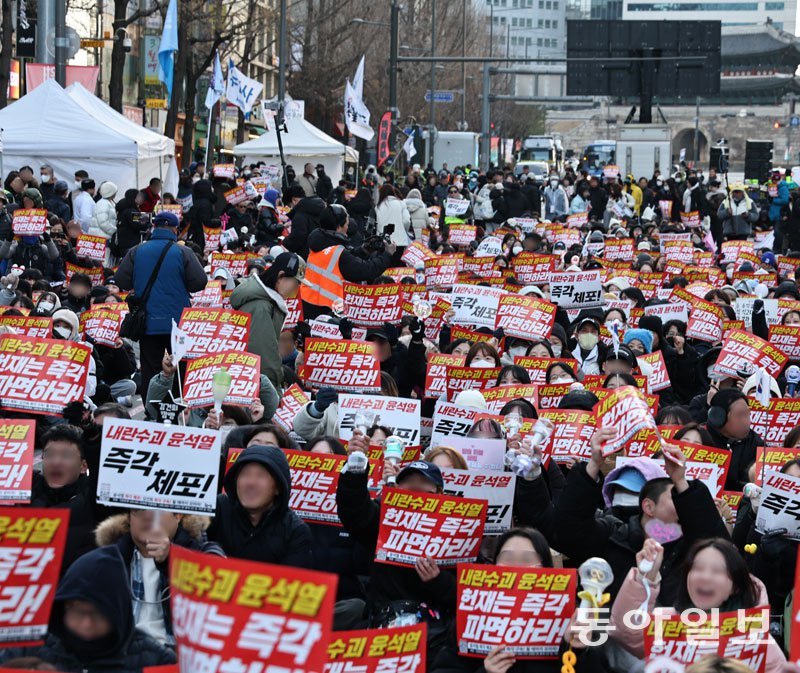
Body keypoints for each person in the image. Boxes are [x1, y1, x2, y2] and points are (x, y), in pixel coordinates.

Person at [552, 427, 730, 604]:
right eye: (673, 495)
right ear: (648, 506)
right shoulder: (614, 537)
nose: (680, 501)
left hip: (671, 629)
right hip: (610, 629)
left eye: (680, 495)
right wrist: (593, 464)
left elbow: (718, 547)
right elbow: (567, 530)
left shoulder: (688, 548)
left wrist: (681, 481)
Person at [611, 538, 786, 672]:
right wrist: (645, 578)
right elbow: (627, 633)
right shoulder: (668, 621)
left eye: (717, 571)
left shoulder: (757, 641)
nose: (705, 577)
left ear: (736, 586)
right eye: (697, 568)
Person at [0, 546, 176, 672]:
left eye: (99, 612)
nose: (87, 623)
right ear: (62, 608)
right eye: (77, 610)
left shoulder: (156, 660)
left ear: (118, 612)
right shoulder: (29, 646)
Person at [94, 509, 224, 645]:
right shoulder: (110, 558)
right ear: (130, 518)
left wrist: (171, 558)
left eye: (158, 510)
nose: (148, 516)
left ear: (178, 516)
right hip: (124, 653)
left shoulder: (203, 550)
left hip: (176, 655)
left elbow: (219, 587)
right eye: (139, 510)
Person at [115, 211, 207, 397]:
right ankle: (177, 409)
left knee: (151, 367)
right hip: (178, 323)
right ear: (174, 228)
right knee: (179, 365)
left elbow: (121, 281)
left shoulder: (137, 251)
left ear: (154, 226)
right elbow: (200, 282)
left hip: (148, 321)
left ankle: (152, 409)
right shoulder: (184, 252)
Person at [207, 444, 313, 566]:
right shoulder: (218, 508)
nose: (251, 482)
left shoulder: (294, 531)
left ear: (278, 488)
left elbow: (293, 580)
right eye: (245, 474)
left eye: (261, 476)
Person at [30, 424, 110, 571]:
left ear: (83, 466)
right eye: (49, 454)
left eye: (66, 455)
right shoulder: (25, 493)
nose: (56, 462)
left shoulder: (94, 499)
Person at [299, 204, 394, 320]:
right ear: (339, 226)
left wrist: (363, 250)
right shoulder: (338, 253)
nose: (347, 229)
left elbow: (341, 262)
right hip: (329, 312)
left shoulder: (320, 243)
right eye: (347, 225)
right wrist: (387, 255)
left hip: (308, 306)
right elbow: (366, 270)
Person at [230, 252, 301, 389]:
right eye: (296, 284)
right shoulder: (261, 307)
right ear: (281, 277)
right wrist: (276, 385)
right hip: (257, 383)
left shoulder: (265, 303)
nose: (295, 291)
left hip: (252, 379)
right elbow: (264, 354)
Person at [705, 388, 764, 490]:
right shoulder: (701, 439)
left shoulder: (755, 443)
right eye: (740, 415)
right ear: (718, 417)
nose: (746, 422)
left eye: (747, 415)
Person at [283, 184, 326, 259]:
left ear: (294, 200)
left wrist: (285, 241)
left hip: (308, 255)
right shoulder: (321, 207)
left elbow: (297, 238)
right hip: (324, 252)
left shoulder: (300, 215)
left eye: (289, 205)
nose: (290, 208)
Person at [375, 184, 413, 250]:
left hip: (383, 241)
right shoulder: (401, 204)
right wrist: (403, 231)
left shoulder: (378, 207)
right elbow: (407, 221)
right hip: (399, 241)